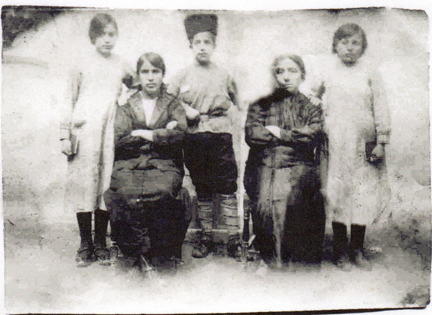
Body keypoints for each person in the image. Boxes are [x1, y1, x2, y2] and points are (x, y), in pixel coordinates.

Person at [309, 23, 391, 271]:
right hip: (335, 145)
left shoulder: (370, 72)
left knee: (362, 196)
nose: (349, 48)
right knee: (338, 195)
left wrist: (382, 141)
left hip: (363, 145)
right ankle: (340, 251)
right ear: (335, 45)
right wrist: (319, 110)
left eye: (355, 43)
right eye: (344, 42)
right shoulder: (328, 71)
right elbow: (312, 96)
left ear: (362, 47)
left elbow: (381, 106)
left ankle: (357, 250)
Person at [60, 13, 134, 267]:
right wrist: (64, 135)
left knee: (105, 185)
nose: (107, 39)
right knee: (84, 185)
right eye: (102, 34)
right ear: (93, 37)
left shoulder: (122, 63)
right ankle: (85, 243)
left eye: (111, 34)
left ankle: (101, 242)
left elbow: (139, 86)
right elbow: (68, 100)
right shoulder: (80, 63)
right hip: (84, 129)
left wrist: (124, 106)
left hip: (109, 131)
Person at [104, 52, 188, 270]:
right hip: (130, 164)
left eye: (155, 72)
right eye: (145, 72)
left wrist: (144, 133)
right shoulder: (127, 104)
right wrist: (161, 134)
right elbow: (121, 140)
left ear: (162, 75)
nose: (150, 77)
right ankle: (139, 252)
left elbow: (179, 135)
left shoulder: (172, 104)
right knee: (123, 193)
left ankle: (155, 252)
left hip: (164, 164)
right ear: (138, 76)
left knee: (161, 192)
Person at [168, 14, 240, 259]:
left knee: (228, 187)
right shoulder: (182, 75)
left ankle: (233, 238)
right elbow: (167, 100)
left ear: (214, 46)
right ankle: (206, 237)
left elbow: (240, 102)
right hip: (195, 138)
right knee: (204, 189)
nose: (202, 47)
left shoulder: (224, 74)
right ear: (190, 46)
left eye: (207, 42)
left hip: (220, 136)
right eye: (197, 42)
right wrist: (185, 109)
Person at [244, 54, 325, 270]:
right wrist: (291, 137)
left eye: (292, 71)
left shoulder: (311, 106)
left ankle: (293, 261)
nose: (285, 77)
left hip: (298, 164)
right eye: (280, 72)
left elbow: (313, 135)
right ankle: (272, 260)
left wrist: (280, 133)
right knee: (265, 201)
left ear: (302, 75)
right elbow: (252, 134)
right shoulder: (261, 104)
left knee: (292, 197)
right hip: (264, 163)